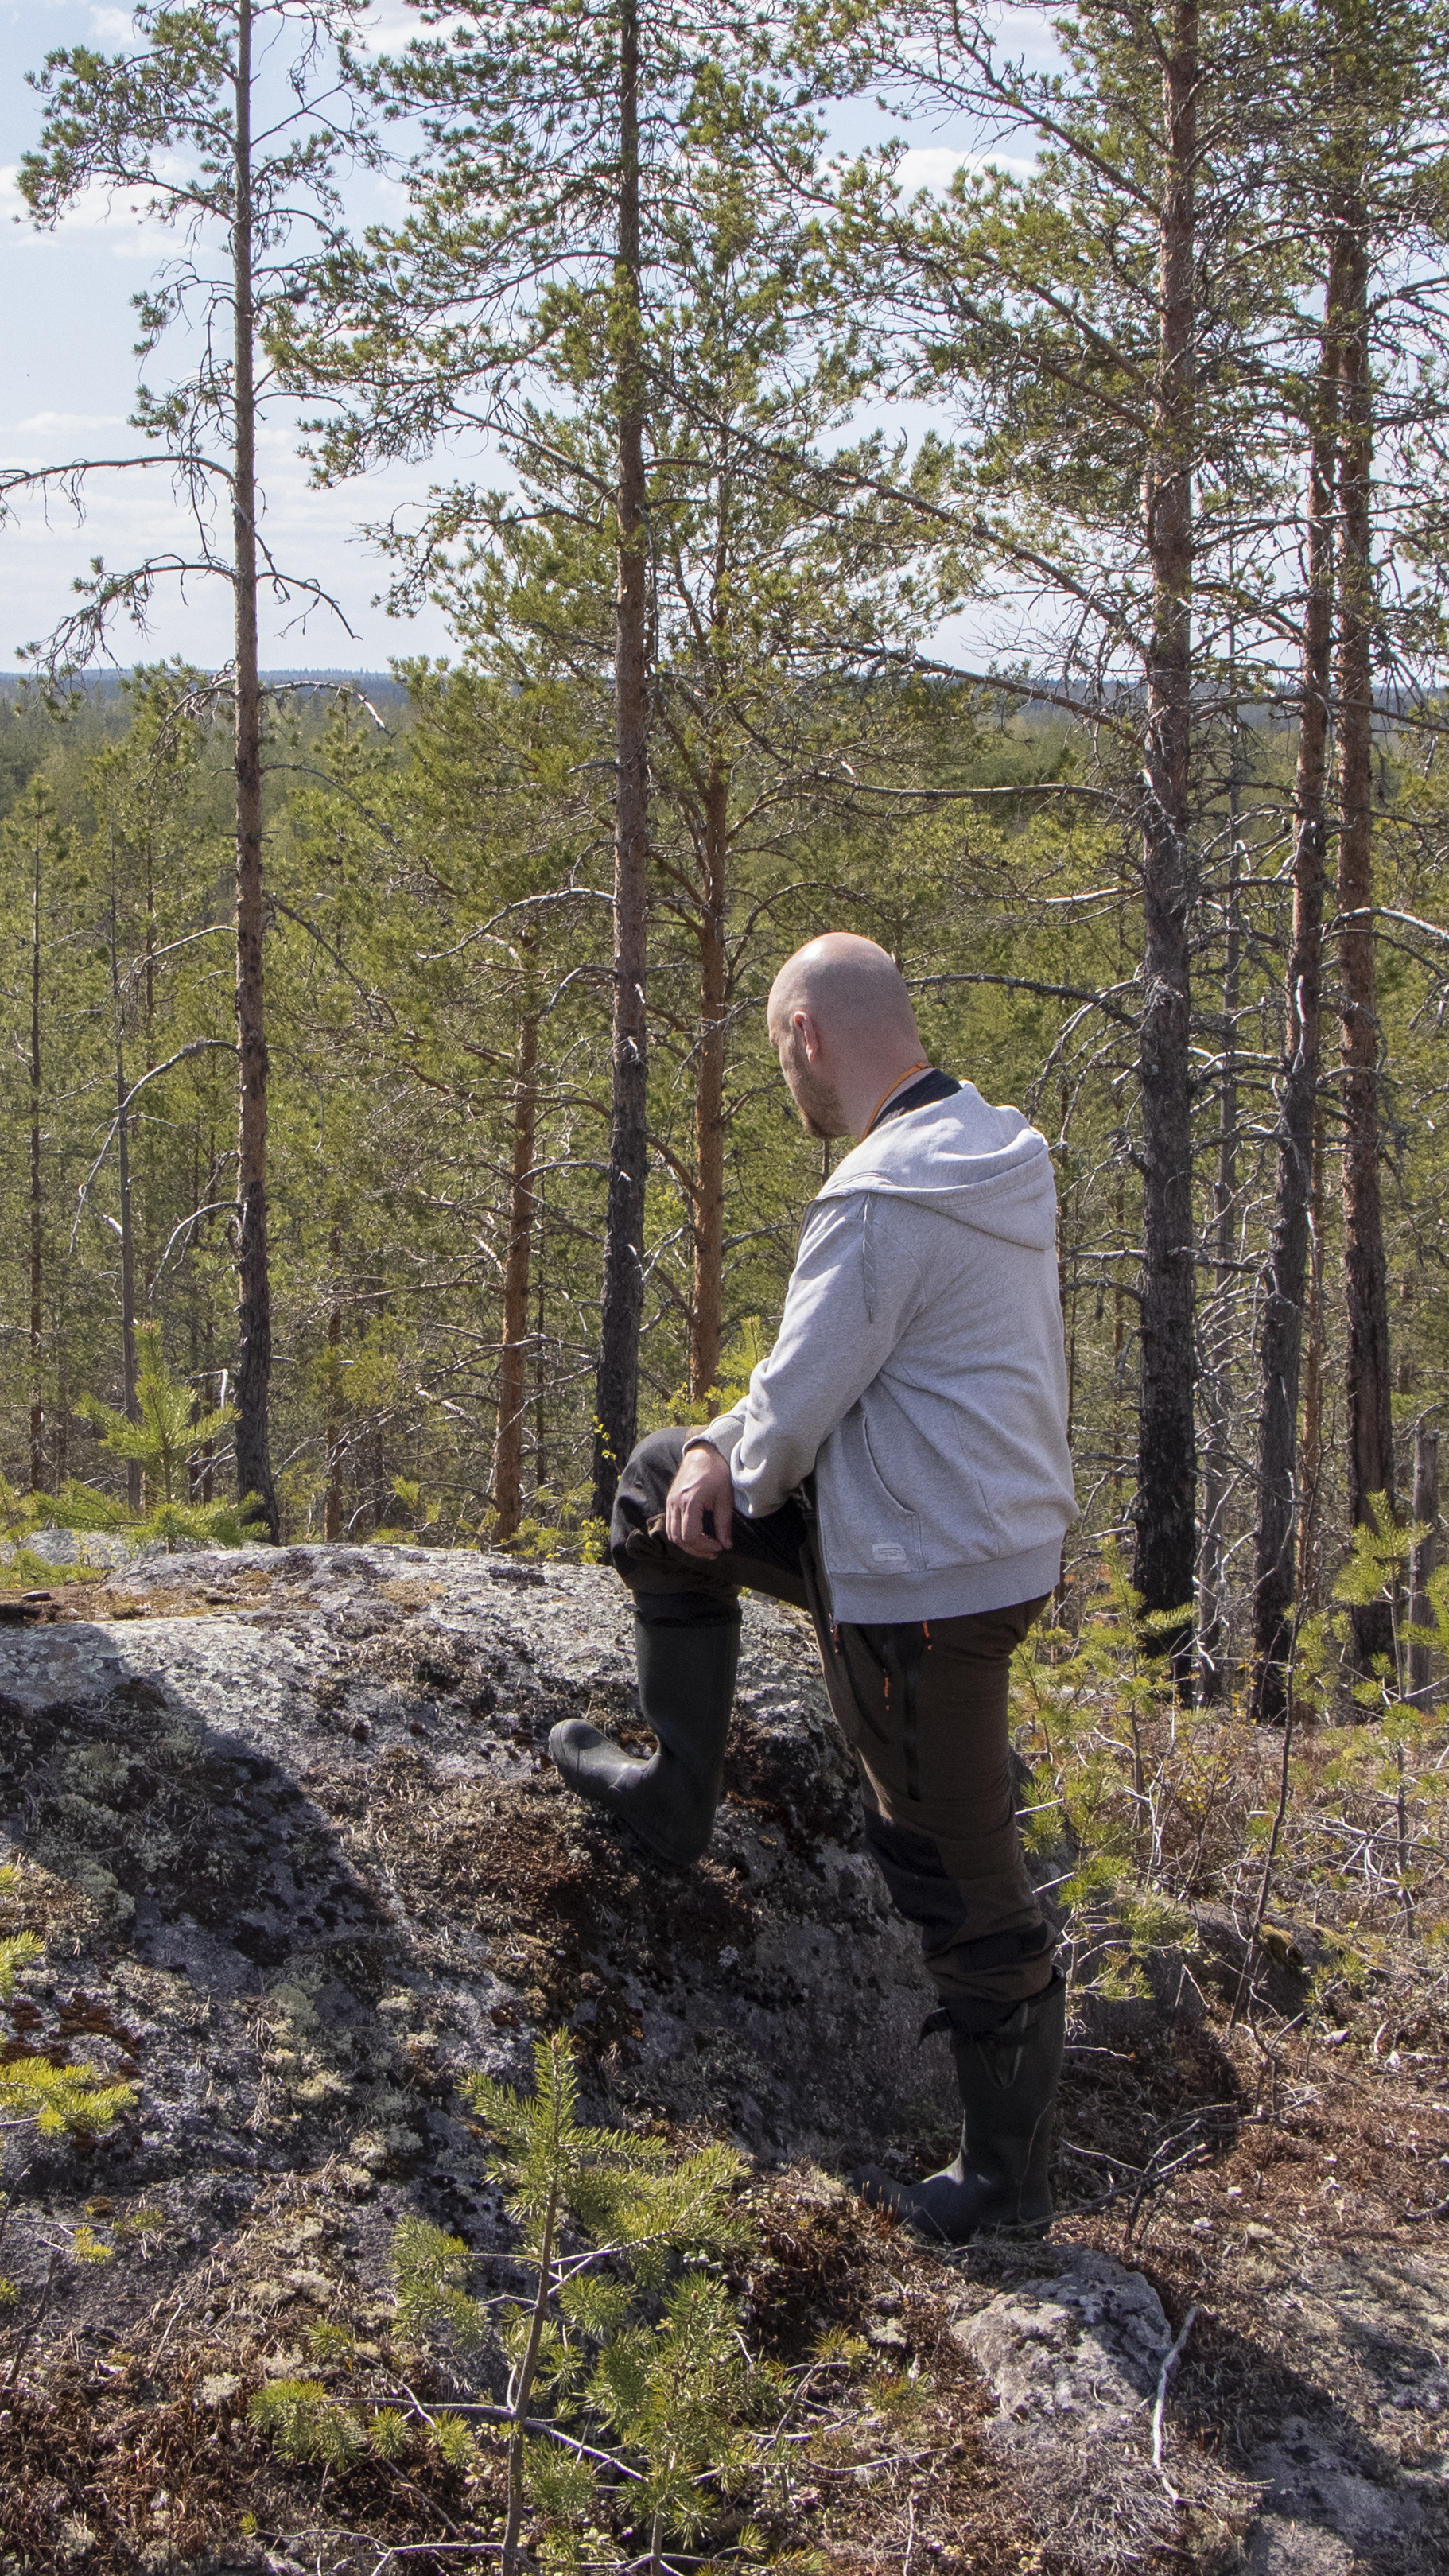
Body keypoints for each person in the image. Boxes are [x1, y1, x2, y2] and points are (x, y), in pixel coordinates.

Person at [546, 933, 1078, 2240]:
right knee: (658, 1480)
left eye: (779, 1054)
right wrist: (712, 1451)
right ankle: (671, 1795)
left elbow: (786, 1425)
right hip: (977, 1541)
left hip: (922, 1582)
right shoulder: (994, 1146)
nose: (784, 1081)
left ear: (805, 1037)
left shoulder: (877, 1198)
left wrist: (734, 1453)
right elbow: (809, 1388)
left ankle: (1007, 2186)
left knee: (952, 1869)